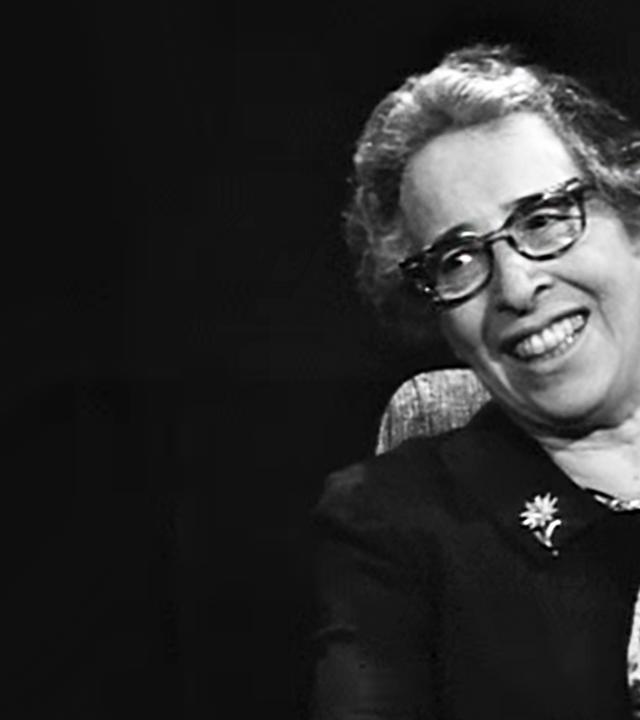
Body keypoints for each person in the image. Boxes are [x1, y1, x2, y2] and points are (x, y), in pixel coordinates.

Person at [312, 45, 640, 719]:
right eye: (458, 260)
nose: (516, 287)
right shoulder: (392, 523)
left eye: (543, 221)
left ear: (630, 216)